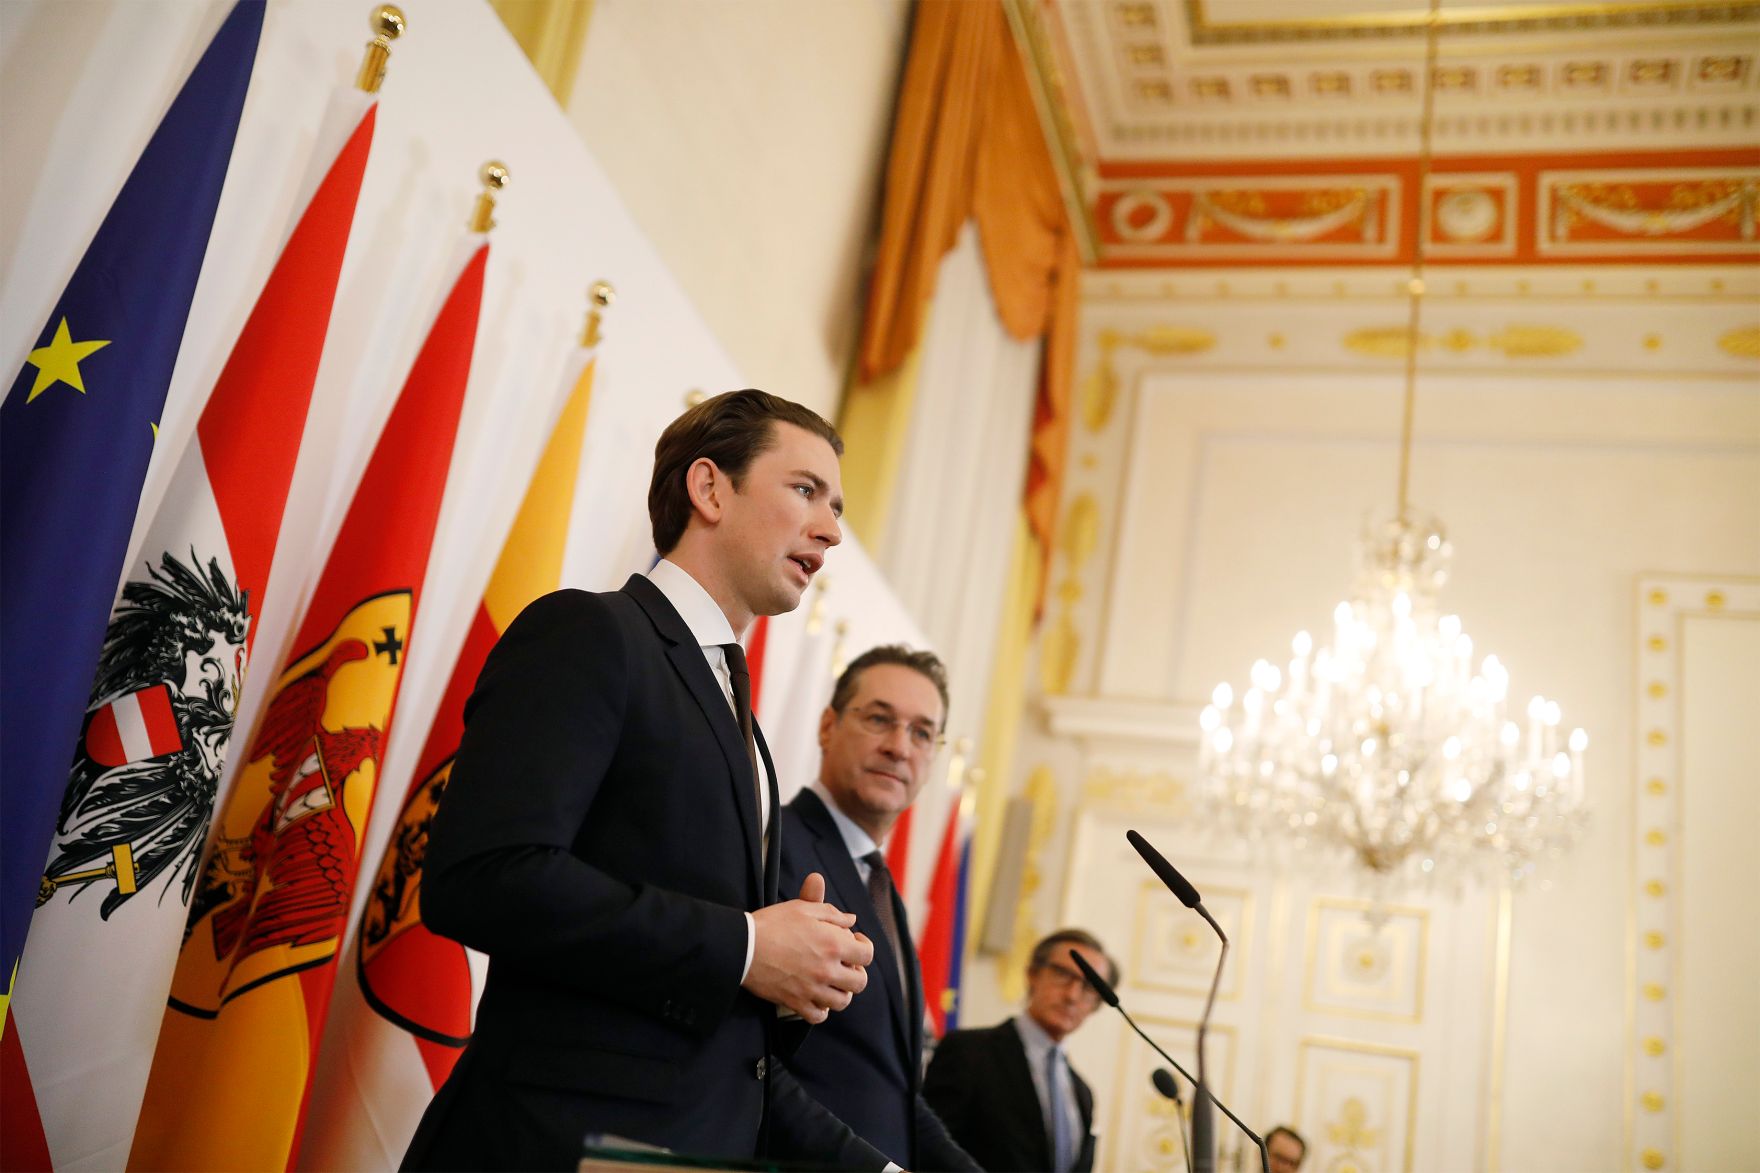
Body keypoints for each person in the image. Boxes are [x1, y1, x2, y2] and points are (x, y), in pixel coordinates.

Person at [403, 390, 888, 1171]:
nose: (831, 530)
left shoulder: (744, 720)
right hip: (544, 1146)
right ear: (710, 489)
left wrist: (791, 975)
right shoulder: (590, 633)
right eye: (805, 490)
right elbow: (481, 877)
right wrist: (746, 943)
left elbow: (730, 1052)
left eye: (835, 504)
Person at [777, 645, 981, 1172]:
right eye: (879, 720)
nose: (899, 747)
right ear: (827, 726)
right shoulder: (773, 844)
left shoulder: (882, 887)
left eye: (920, 733)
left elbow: (896, 1091)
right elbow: (749, 1060)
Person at [923, 928, 1118, 1173]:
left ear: (1097, 1005)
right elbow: (928, 1148)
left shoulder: (1083, 1094)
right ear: (1032, 974)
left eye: (1090, 987)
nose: (1072, 995)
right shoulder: (968, 1052)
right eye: (1063, 974)